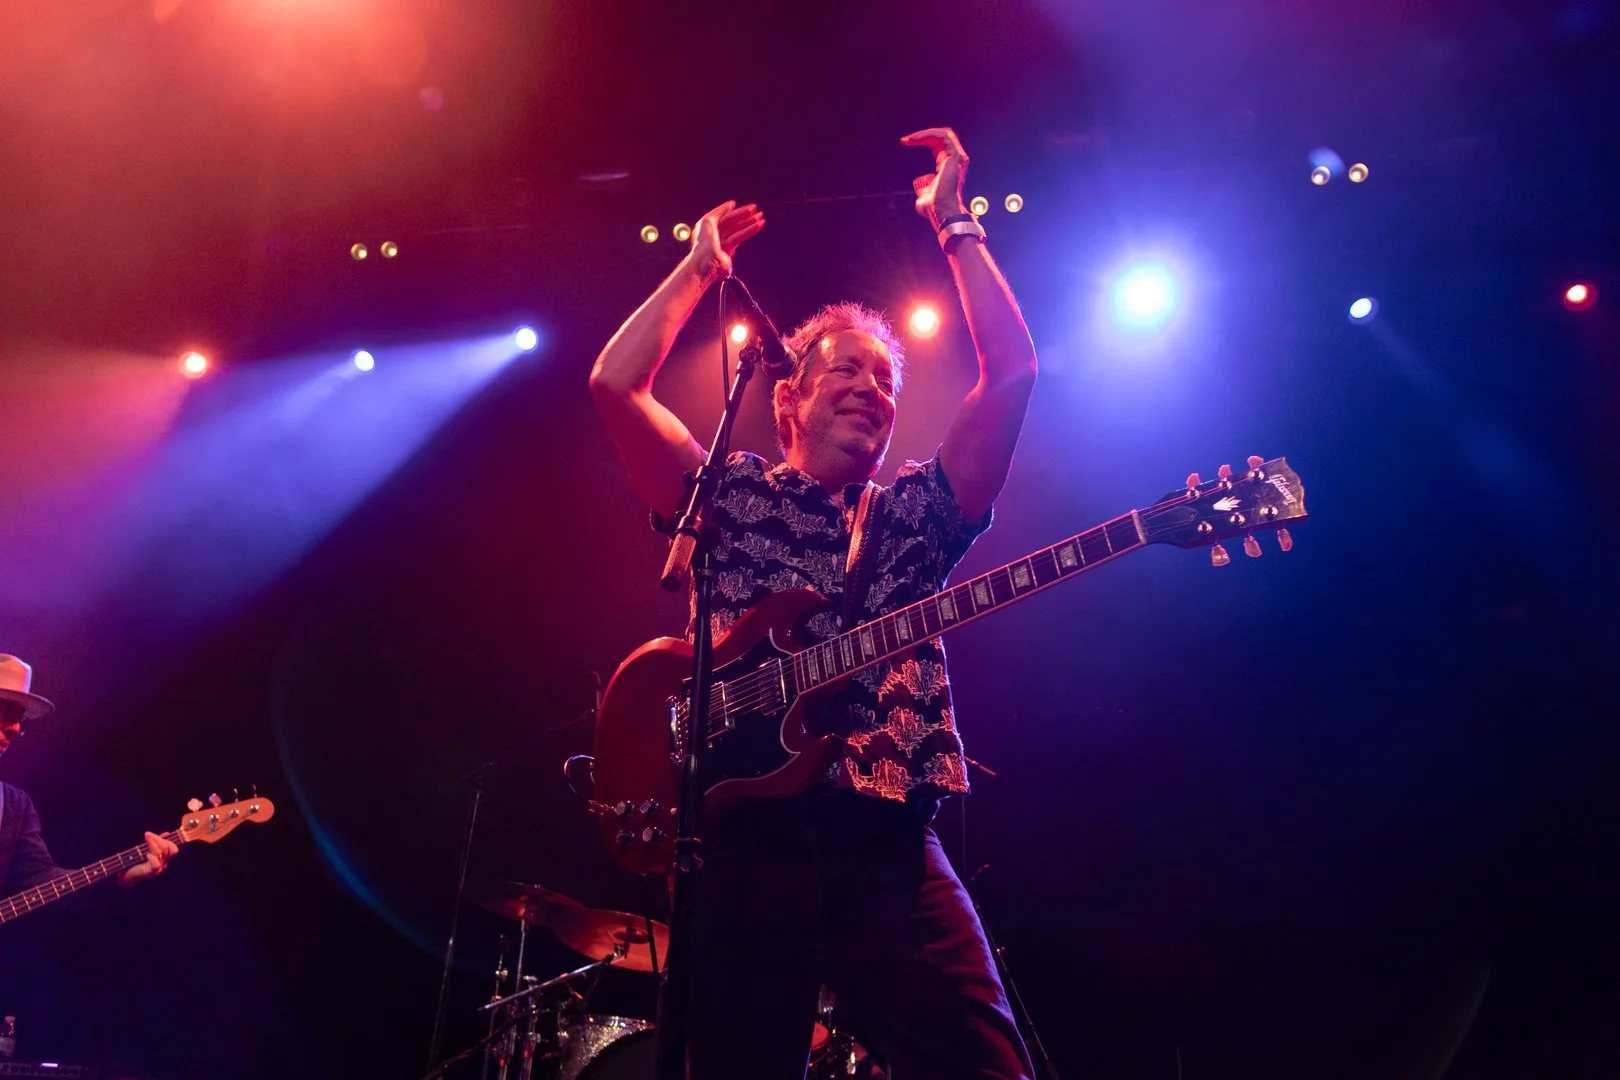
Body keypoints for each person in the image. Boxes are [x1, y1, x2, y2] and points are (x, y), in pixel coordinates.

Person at [589, 127, 1038, 1079]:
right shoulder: (733, 492)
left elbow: (1016, 375)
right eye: (846, 368)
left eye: (886, 378)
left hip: (887, 837)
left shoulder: (919, 513)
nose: (872, 387)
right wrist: (695, 272)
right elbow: (614, 383)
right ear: (787, 400)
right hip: (746, 843)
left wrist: (956, 222)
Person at [0, 653, 177, 897]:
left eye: (20, 718)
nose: (15, 727)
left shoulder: (14, 806)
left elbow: (40, 883)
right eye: (5, 710)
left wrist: (121, 874)